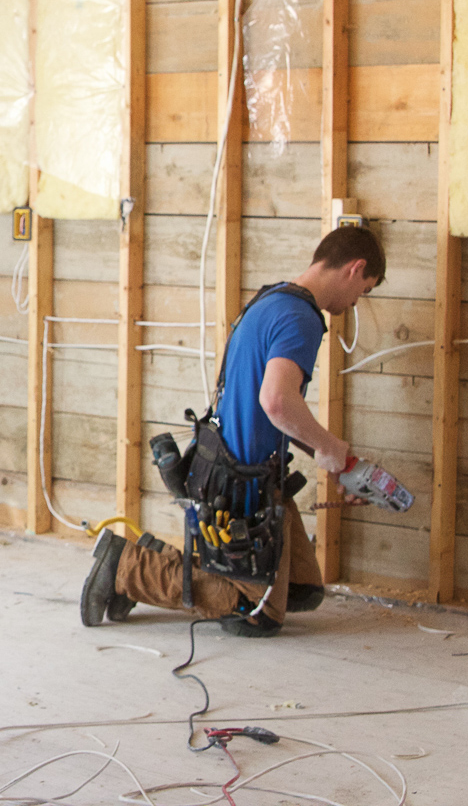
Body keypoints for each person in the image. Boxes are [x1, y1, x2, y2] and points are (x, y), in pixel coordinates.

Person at [79, 226, 386, 637]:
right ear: (355, 268)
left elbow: (269, 407)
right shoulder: (302, 317)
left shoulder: (271, 299)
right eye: (363, 291)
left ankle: (170, 565)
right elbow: (276, 401)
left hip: (240, 470)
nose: (353, 304)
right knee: (254, 613)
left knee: (303, 589)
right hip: (241, 486)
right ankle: (126, 566)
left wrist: (333, 457)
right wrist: (329, 444)